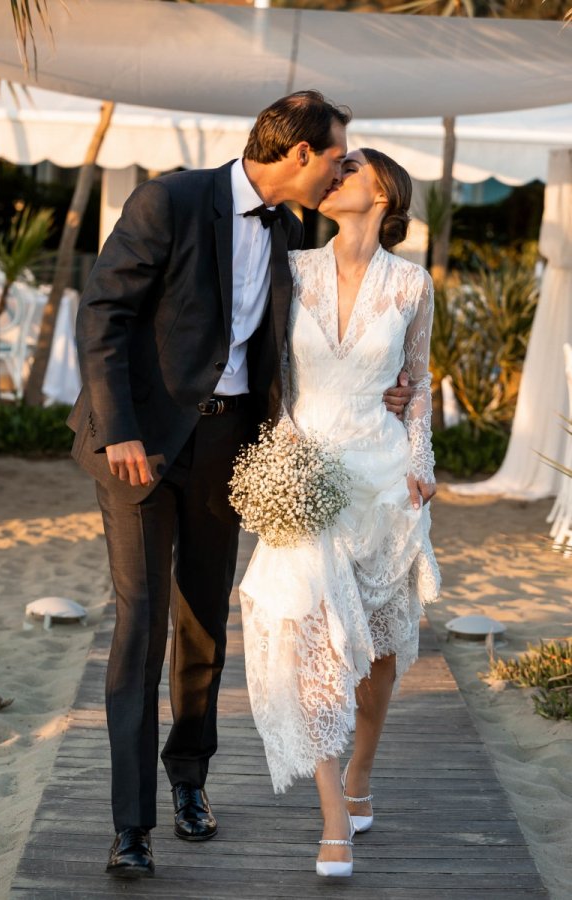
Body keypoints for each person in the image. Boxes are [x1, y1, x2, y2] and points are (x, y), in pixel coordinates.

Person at [69, 93, 413, 879]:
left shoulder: (292, 231)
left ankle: (189, 781)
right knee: (141, 623)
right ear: (298, 154)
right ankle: (131, 827)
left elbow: (306, 347)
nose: (338, 170)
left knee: (203, 623)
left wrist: (395, 393)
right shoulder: (171, 199)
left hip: (231, 446)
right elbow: (104, 314)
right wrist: (120, 426)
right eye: (335, 155)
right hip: (139, 446)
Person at [239, 148, 441, 877]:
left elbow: (417, 383)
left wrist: (420, 459)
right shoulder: (292, 270)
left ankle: (360, 775)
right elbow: (269, 370)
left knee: (378, 653)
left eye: (349, 167)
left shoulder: (413, 284)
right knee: (312, 648)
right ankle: (333, 820)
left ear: (383, 191)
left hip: (384, 483)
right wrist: (279, 453)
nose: (333, 176)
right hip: (307, 475)